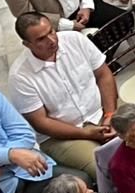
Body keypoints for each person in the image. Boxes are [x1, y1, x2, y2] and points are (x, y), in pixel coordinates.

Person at [8, 12, 115, 179]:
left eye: (51, 31)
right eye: (41, 39)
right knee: (106, 168)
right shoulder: (20, 77)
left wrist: (109, 114)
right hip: (62, 136)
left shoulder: (75, 40)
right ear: (27, 44)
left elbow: (104, 75)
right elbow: (41, 122)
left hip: (101, 111)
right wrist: (87, 134)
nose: (51, 40)